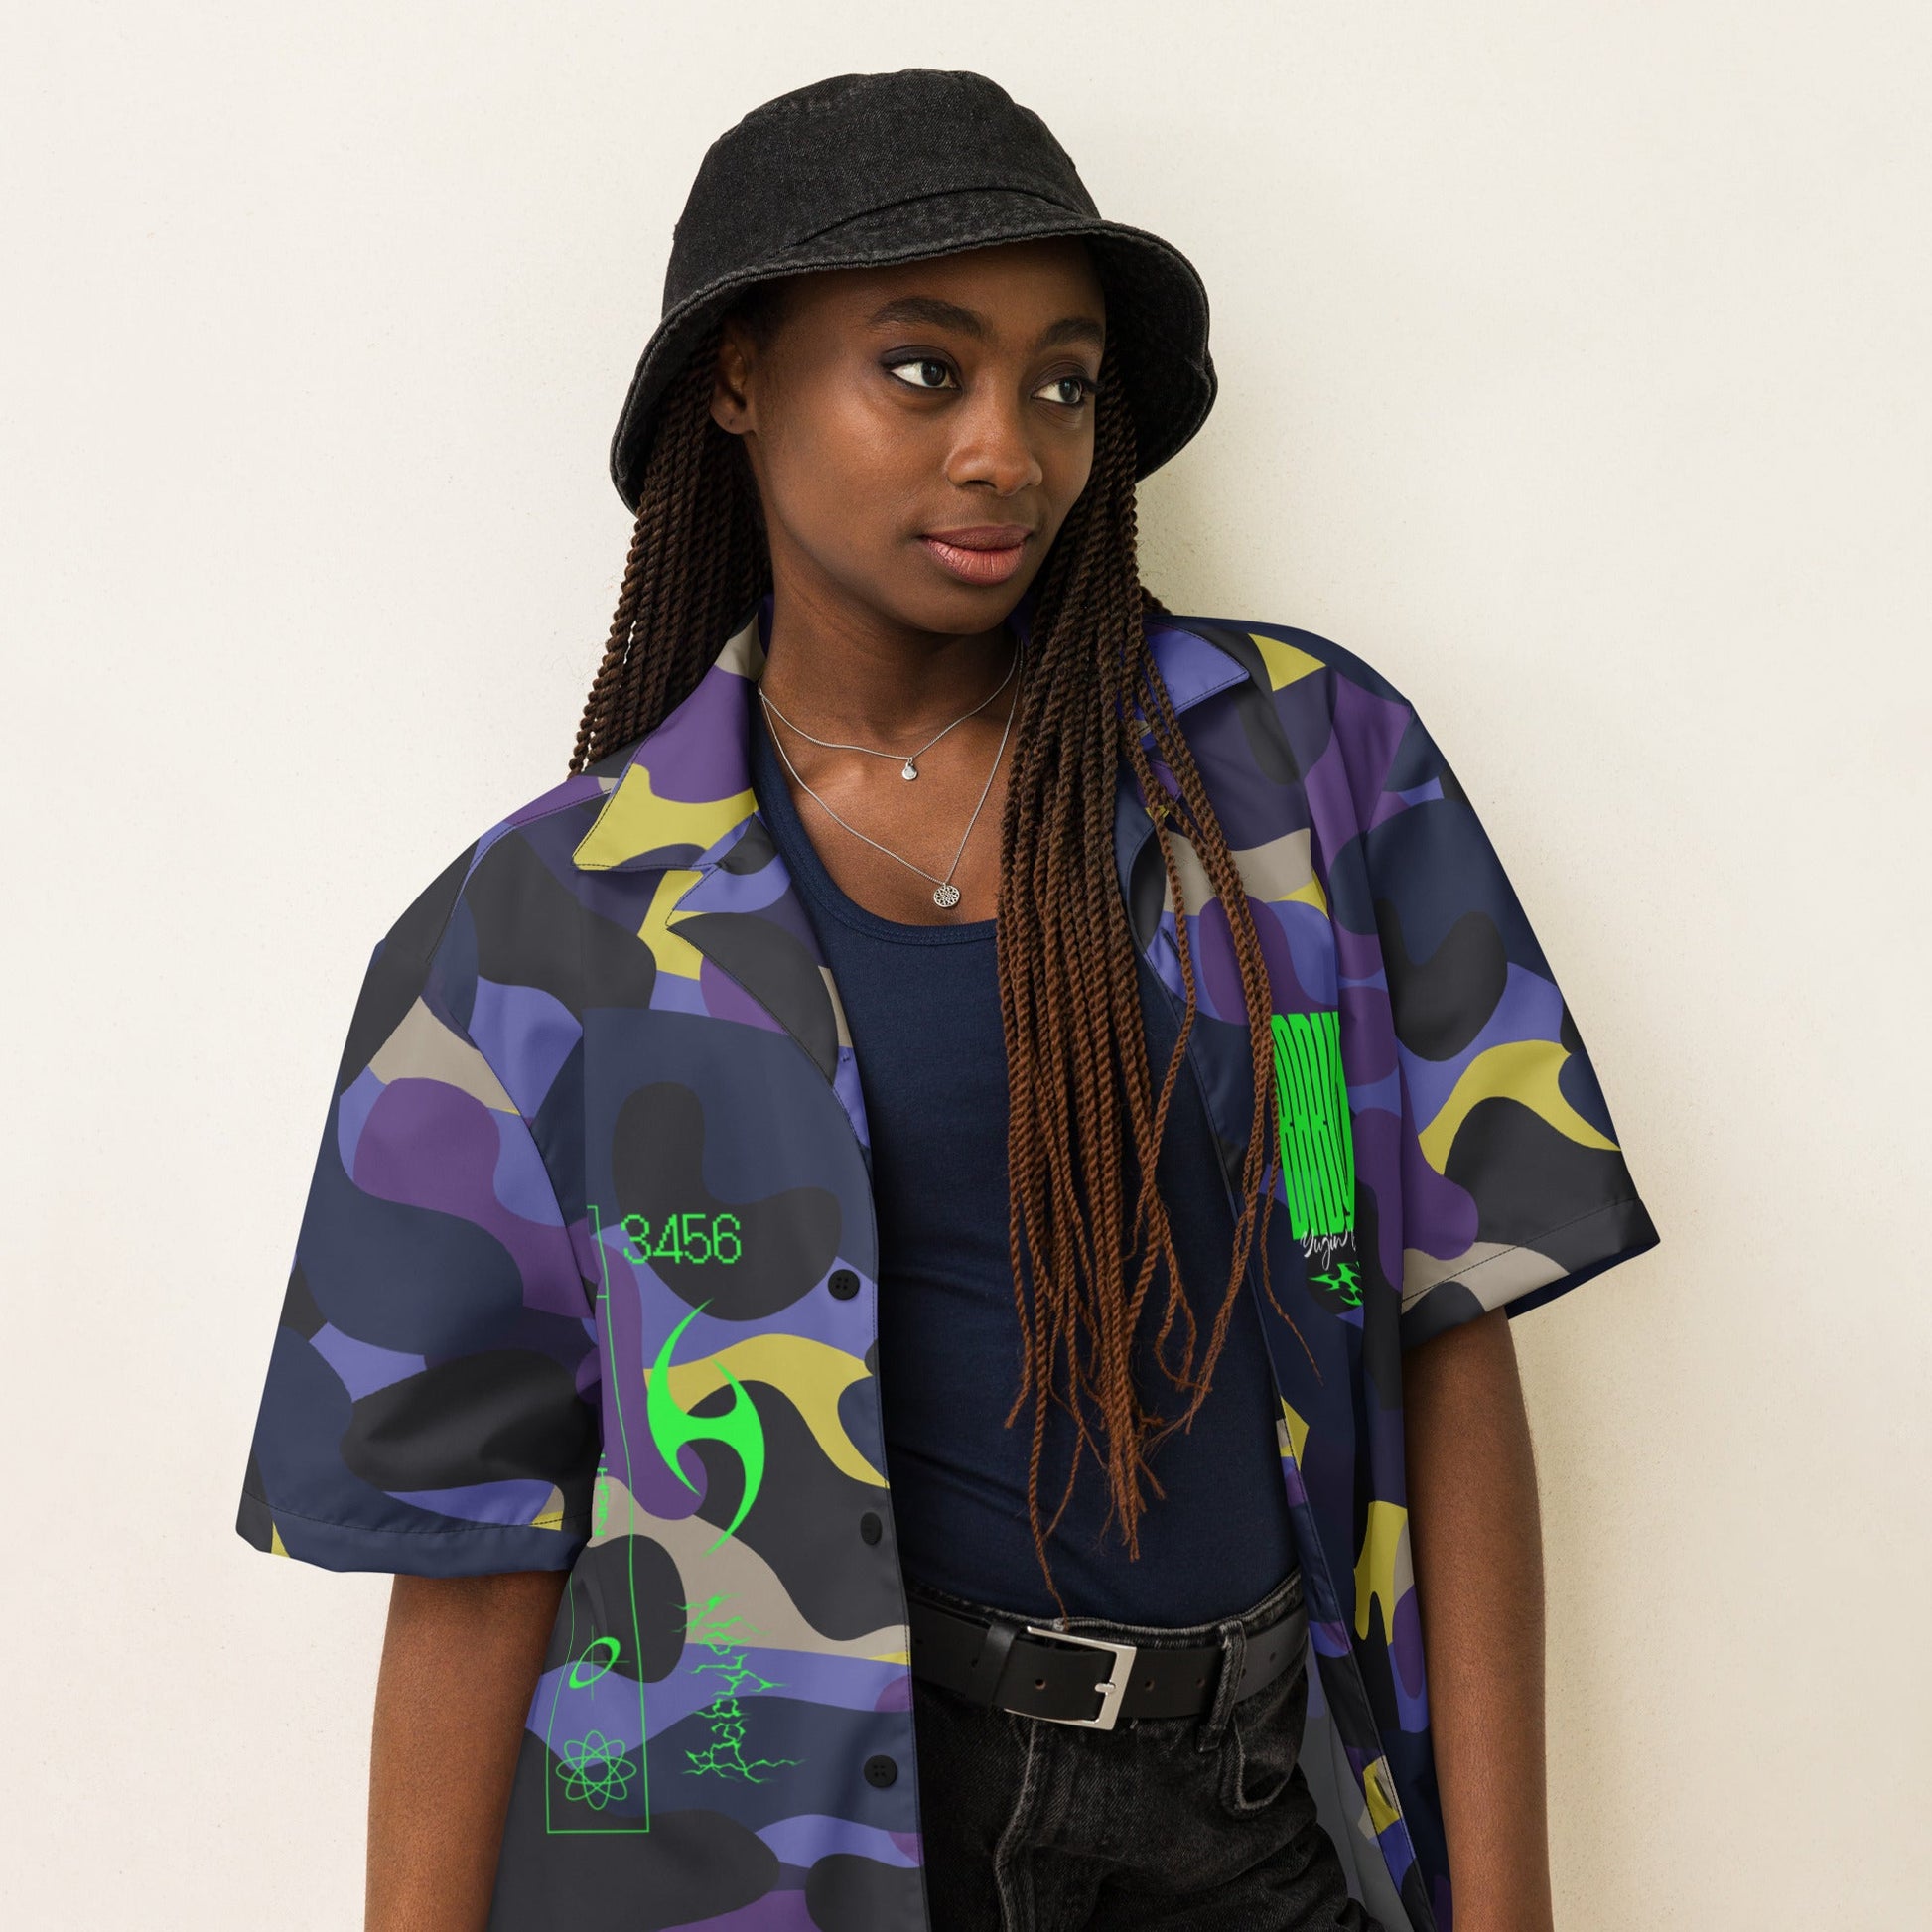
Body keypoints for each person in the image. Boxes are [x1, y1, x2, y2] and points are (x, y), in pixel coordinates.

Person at [233, 67, 1661, 1932]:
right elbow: (479, 1543)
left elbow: (1415, 1312)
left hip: (1253, 1808)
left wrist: (1508, 1907)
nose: (1008, 449)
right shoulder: (551, 931)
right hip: (804, 1845)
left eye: (1060, 384)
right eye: (923, 370)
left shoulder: (1294, 789)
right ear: (737, 378)